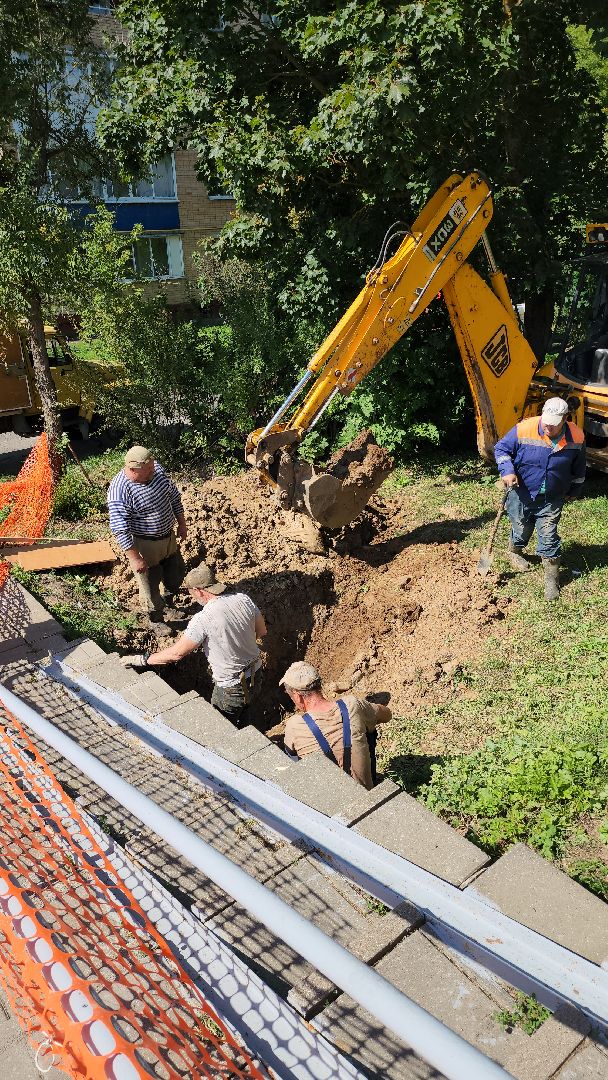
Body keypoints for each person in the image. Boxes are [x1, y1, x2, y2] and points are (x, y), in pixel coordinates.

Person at [121, 563, 267, 727]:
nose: (192, 597)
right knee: (245, 711)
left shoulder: (204, 619)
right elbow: (261, 631)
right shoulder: (243, 599)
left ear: (198, 591)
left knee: (222, 726)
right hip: (256, 673)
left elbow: (176, 654)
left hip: (231, 686)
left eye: (191, 592)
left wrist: (143, 660)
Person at [493, 397, 586, 600]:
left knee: (549, 536)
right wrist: (507, 470)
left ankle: (552, 581)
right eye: (546, 422)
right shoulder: (523, 429)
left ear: (565, 419)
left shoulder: (576, 436)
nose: (547, 427)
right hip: (521, 493)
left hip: (552, 498)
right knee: (521, 528)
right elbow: (501, 449)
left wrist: (575, 489)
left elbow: (579, 468)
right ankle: (515, 551)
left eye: (553, 424)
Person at [107, 446, 187, 635]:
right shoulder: (119, 491)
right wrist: (135, 558)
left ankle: (168, 603)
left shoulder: (156, 470)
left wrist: (182, 524)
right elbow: (120, 529)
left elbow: (174, 497)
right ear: (133, 469)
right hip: (145, 544)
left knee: (176, 571)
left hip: (168, 537)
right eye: (148, 469)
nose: (153, 470)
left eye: (153, 466)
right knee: (149, 585)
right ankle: (155, 618)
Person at [280, 662, 391, 790]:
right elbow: (387, 715)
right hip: (365, 793)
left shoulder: (294, 725)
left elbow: (292, 760)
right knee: (368, 728)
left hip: (328, 800)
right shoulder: (352, 704)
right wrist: (365, 710)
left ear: (298, 696)